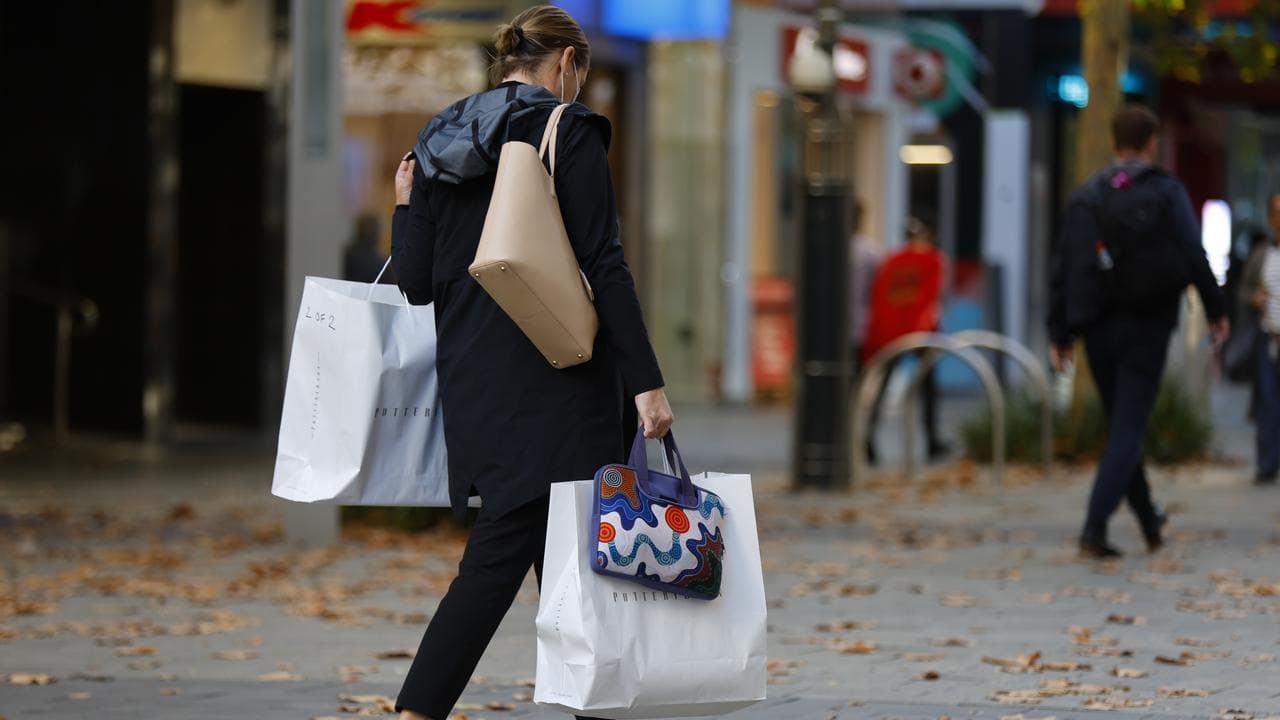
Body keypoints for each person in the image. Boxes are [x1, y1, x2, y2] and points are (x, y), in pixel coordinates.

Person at [389, 7, 671, 719]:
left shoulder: (439, 136)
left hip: (477, 387)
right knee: (507, 561)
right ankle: (416, 709)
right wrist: (647, 383)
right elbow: (604, 265)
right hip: (562, 385)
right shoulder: (563, 130)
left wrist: (403, 206)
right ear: (569, 64)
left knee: (572, 569)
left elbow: (415, 282)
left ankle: (597, 707)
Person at [1049, 104, 1229, 559]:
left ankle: (1149, 519)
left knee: (1122, 425)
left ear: (1113, 142)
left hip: (1098, 328)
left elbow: (1065, 264)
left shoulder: (1087, 195)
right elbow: (1192, 250)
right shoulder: (1166, 192)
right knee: (1128, 428)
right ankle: (1093, 528)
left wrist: (1060, 333)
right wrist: (1215, 307)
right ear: (1151, 143)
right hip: (1149, 324)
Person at [860, 214, 950, 464]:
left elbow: (879, 296)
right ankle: (931, 439)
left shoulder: (892, 260)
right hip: (918, 330)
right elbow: (931, 298)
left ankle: (868, 435)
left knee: (883, 383)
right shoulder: (933, 260)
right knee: (928, 386)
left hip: (890, 331)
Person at [1240, 193, 1280, 485]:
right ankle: (1267, 465)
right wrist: (1253, 298)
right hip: (1269, 337)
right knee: (1267, 402)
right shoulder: (1261, 254)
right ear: (1270, 218)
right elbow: (1242, 289)